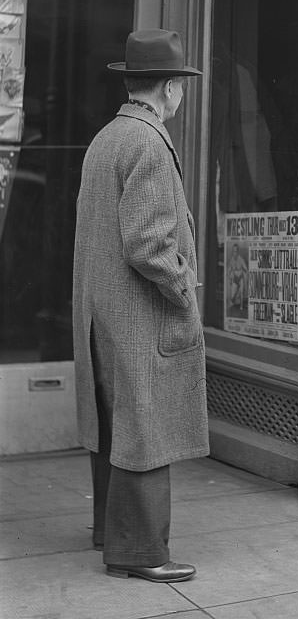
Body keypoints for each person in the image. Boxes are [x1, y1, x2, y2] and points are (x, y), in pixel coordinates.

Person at [72, 29, 208, 583]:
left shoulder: (109, 136)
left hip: (103, 312)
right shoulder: (149, 142)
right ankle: (142, 553)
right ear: (172, 88)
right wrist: (184, 290)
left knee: (115, 425)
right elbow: (149, 245)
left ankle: (113, 532)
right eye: (181, 85)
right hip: (140, 314)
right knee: (145, 431)